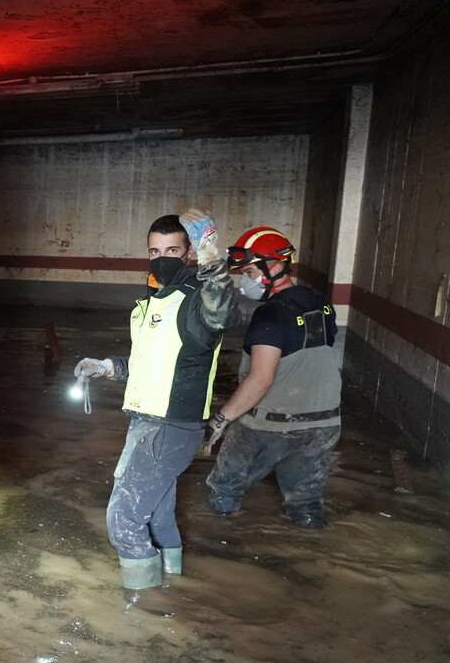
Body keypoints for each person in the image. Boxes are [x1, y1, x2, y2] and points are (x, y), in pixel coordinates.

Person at [74, 211, 240, 590]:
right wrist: (106, 367)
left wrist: (214, 260)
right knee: (158, 515)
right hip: (148, 423)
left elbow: (225, 314)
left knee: (124, 519)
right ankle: (174, 591)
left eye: (172, 249)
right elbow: (149, 363)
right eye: (154, 250)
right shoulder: (155, 301)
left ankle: (143, 608)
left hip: (170, 425)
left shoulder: (198, 299)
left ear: (189, 255)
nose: (161, 257)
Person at [204, 227, 341, 529]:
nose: (245, 279)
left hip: (272, 423)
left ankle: (218, 546)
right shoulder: (322, 303)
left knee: (224, 492)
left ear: (275, 266)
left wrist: (220, 419)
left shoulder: (270, 315)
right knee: (305, 504)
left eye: (250, 270)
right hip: (324, 423)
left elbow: (260, 380)